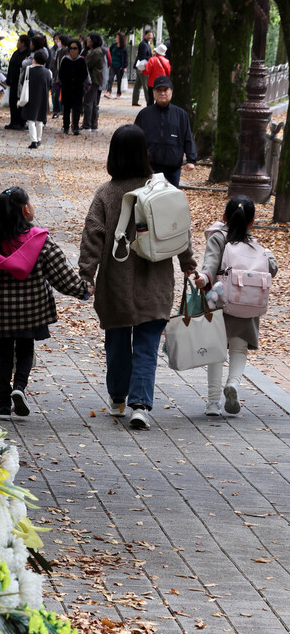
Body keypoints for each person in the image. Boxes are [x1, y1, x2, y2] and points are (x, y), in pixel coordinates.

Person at [78, 125, 196, 431]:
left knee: (117, 340)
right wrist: (188, 263)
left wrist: (87, 275)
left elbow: (93, 235)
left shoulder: (105, 194)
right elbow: (178, 227)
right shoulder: (161, 187)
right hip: (155, 280)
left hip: (117, 281)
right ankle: (140, 404)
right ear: (145, 153)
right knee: (146, 344)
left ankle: (118, 397)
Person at [0, 187, 89, 419]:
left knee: (3, 354)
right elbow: (61, 275)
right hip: (32, 311)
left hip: (2, 314)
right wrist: (84, 290)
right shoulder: (40, 241)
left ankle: (3, 405)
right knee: (26, 350)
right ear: (26, 210)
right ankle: (19, 387)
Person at [194, 196, 278, 417]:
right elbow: (272, 269)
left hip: (220, 301)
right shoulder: (256, 245)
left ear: (224, 217)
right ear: (252, 222)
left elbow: (210, 265)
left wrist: (203, 279)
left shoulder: (218, 238)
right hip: (248, 304)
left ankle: (213, 403)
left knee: (216, 350)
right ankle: (233, 384)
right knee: (239, 348)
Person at [134, 75, 196, 186]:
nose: (162, 93)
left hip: (173, 167)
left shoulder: (181, 115)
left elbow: (188, 137)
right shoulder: (144, 114)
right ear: (153, 92)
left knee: (170, 199)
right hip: (149, 167)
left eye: (165, 90)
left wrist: (191, 160)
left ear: (171, 91)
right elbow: (135, 138)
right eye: (159, 90)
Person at [21, 50, 52, 149]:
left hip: (31, 97)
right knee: (40, 120)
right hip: (43, 98)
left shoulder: (29, 70)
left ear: (34, 59)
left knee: (31, 120)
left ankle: (33, 140)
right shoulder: (48, 72)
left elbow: (23, 81)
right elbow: (50, 85)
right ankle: (39, 139)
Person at [59, 39, 87, 135]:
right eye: (71, 48)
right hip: (67, 87)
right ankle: (66, 126)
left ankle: (75, 126)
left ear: (78, 49)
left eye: (75, 48)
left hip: (78, 87)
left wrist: (80, 82)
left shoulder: (81, 60)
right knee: (66, 107)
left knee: (77, 107)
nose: (73, 50)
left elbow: (84, 74)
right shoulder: (65, 60)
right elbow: (61, 73)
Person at [5, 35, 30, 130]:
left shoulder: (28, 54)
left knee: (22, 101)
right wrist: (9, 78)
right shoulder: (16, 53)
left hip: (22, 82)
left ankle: (21, 121)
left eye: (19, 41)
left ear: (23, 43)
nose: (17, 43)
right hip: (13, 81)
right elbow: (11, 66)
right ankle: (13, 121)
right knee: (12, 101)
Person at [82, 33, 104, 131]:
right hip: (95, 79)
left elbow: (87, 64)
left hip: (93, 79)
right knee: (93, 102)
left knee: (88, 101)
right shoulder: (94, 51)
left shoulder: (96, 52)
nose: (87, 41)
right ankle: (93, 124)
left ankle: (87, 124)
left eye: (89, 40)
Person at [132, 25, 153, 106]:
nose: (150, 36)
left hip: (140, 66)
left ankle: (135, 100)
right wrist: (143, 68)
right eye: (149, 35)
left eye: (151, 35)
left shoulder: (146, 43)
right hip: (143, 67)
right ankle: (149, 102)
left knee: (138, 85)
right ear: (145, 35)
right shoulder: (144, 44)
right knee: (145, 85)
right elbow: (142, 57)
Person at [105, 32, 128, 98]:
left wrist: (125, 67)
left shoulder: (124, 48)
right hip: (112, 65)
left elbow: (126, 58)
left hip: (120, 66)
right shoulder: (113, 45)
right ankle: (108, 91)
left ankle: (118, 92)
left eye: (117, 37)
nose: (116, 39)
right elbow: (109, 52)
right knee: (110, 78)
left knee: (119, 80)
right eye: (116, 37)